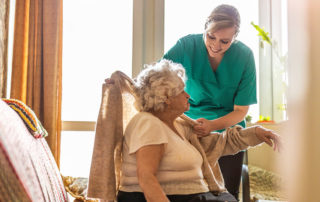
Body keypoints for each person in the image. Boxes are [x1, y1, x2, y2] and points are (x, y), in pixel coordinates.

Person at [117, 59, 280, 202]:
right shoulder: (148, 123)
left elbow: (220, 143)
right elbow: (146, 178)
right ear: (166, 97)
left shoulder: (180, 126)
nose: (187, 95)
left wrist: (257, 132)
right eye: (181, 91)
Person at [162, 4, 256, 200]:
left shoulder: (244, 56)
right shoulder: (186, 46)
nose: (216, 45)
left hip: (228, 128)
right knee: (187, 191)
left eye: (225, 41)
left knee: (226, 193)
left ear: (235, 37)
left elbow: (240, 111)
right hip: (188, 125)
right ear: (205, 27)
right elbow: (155, 78)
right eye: (211, 36)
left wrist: (213, 126)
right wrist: (122, 83)